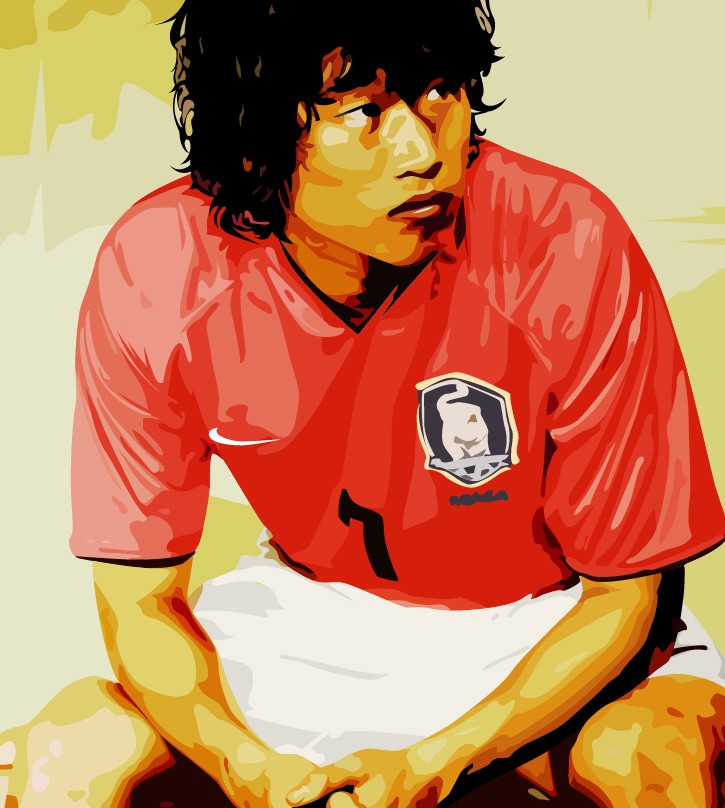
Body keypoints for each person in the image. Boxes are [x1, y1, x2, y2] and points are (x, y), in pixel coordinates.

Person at [2, 1, 725, 806]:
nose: (424, 153)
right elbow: (140, 603)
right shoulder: (158, 269)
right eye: (364, 113)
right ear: (256, 138)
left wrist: (437, 762)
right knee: (73, 750)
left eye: (441, 91)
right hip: (311, 616)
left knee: (651, 754)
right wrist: (246, 767)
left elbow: (628, 598)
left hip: (552, 623)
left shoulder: (568, 239)